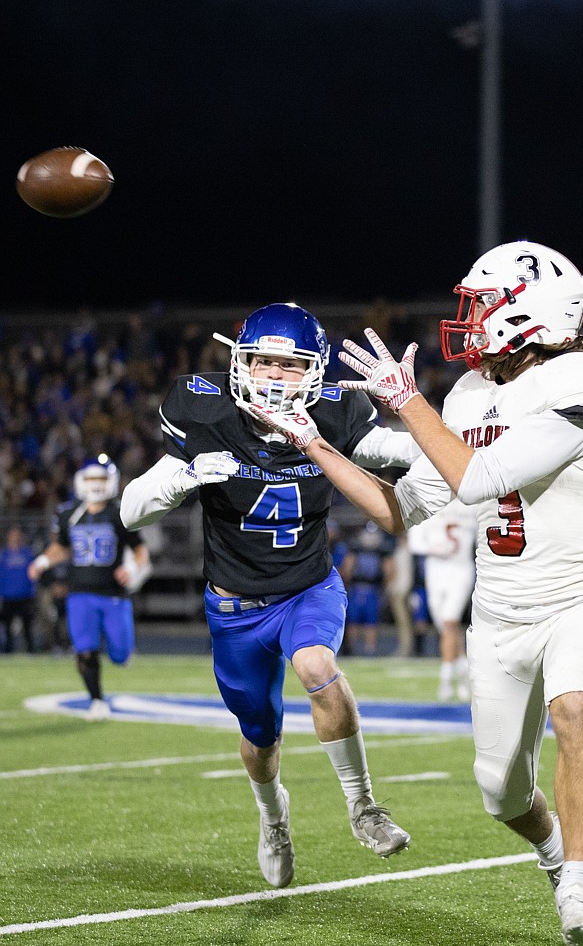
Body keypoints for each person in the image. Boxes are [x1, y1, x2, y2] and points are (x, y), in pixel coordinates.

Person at [242, 245, 583, 946]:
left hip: (580, 595)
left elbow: (482, 477)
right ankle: (552, 854)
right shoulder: (468, 394)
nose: (471, 319)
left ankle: (579, 887)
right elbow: (402, 511)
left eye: (483, 304)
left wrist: (407, 403)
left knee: (575, 706)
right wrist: (314, 445)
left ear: (530, 310)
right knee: (500, 793)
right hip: (499, 613)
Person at [120, 302, 419, 889]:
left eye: (291, 365)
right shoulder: (206, 413)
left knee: (316, 666)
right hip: (234, 609)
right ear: (241, 363)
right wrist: (184, 477)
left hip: (307, 588)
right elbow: (131, 511)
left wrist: (426, 416)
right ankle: (273, 815)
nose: (275, 376)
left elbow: (407, 451)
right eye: (263, 362)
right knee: (261, 739)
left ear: (314, 371)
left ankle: (363, 806)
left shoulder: (334, 413)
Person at [28, 455, 152, 719]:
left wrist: (131, 569)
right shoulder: (69, 513)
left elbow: (140, 551)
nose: (96, 484)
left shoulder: (120, 513)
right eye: (92, 478)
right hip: (80, 593)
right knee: (85, 650)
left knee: (120, 654)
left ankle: (121, 656)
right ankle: (96, 700)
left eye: (101, 478)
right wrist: (42, 561)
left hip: (114, 594)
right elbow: (61, 548)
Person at [407, 498, 476, 701]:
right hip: (436, 571)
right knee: (446, 628)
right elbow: (415, 542)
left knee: (449, 622)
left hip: (461, 569)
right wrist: (435, 548)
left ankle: (445, 679)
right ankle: (463, 673)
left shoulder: (473, 502)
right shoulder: (430, 501)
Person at [343, 521, 396, 655]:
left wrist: (385, 587)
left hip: (373, 588)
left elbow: (389, 569)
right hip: (357, 587)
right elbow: (348, 567)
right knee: (353, 619)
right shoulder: (356, 547)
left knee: (371, 621)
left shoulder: (383, 549)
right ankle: (352, 648)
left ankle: (369, 649)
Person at [0, 526, 38, 654]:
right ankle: (7, 651)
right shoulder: (3, 555)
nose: (15, 538)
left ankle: (31, 651)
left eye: (17, 535)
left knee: (27, 626)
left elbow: (34, 573)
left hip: (25, 595)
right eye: (12, 535)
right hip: (7, 596)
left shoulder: (28, 554)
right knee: (7, 626)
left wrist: (33, 591)